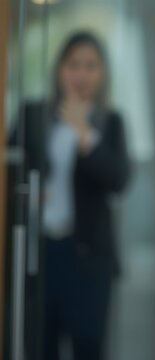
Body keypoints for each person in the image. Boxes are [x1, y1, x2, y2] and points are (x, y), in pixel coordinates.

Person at [7, 31, 130, 359]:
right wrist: (28, 196)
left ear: (102, 73)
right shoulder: (32, 114)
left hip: (88, 256)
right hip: (40, 251)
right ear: (59, 69)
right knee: (39, 342)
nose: (81, 74)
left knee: (88, 344)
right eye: (73, 64)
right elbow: (11, 173)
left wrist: (82, 130)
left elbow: (117, 179)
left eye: (90, 66)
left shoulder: (109, 122)